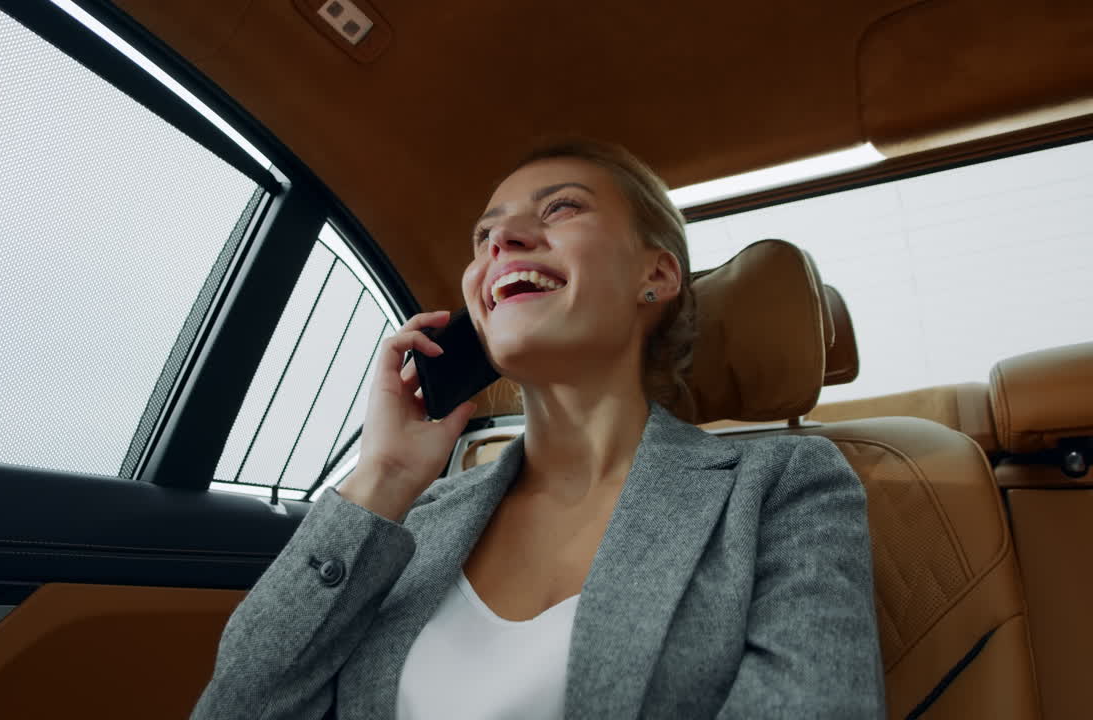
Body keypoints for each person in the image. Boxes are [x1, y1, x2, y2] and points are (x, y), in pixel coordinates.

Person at [192, 140, 884, 719]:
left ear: (656, 274)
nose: (502, 241)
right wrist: (385, 476)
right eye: (484, 235)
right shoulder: (419, 517)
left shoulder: (782, 487)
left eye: (561, 208)